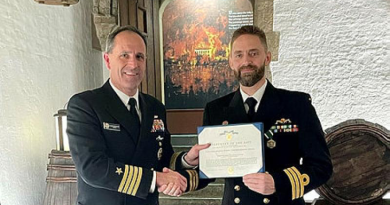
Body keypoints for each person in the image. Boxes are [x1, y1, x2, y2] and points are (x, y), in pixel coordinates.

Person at [184, 25, 333, 205]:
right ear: (231, 61)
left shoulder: (296, 105)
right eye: (239, 55)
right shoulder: (215, 110)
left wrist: (279, 182)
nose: (246, 61)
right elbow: (211, 169)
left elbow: (321, 166)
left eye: (253, 53)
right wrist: (182, 171)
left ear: (267, 58)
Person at [67, 25, 199, 205]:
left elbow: (162, 158)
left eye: (139, 57)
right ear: (107, 60)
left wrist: (186, 160)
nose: (133, 64)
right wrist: (155, 179)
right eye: (125, 55)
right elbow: (92, 168)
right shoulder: (85, 105)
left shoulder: (155, 107)